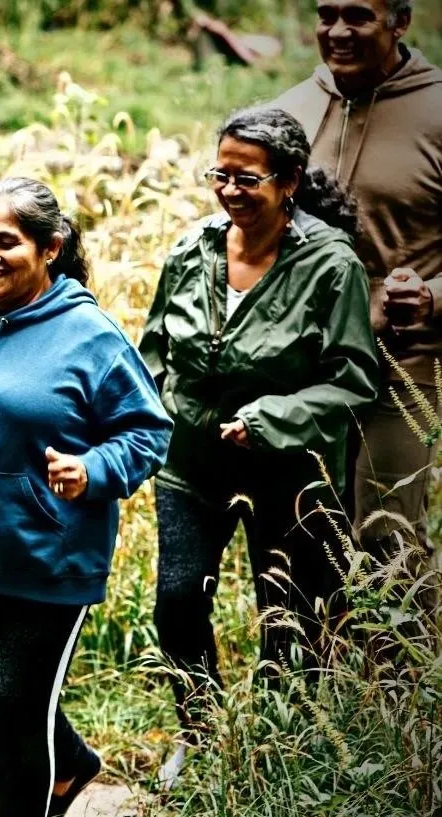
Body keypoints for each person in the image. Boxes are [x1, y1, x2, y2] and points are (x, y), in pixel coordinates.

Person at [0, 177, 172, 817]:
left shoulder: (90, 335)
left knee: (17, 708)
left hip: (53, 557)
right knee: (4, 689)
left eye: (7, 242)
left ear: (50, 248)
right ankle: (73, 765)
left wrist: (94, 468)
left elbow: (148, 431)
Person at [139, 107, 379, 785]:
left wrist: (274, 415)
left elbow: (354, 379)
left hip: (288, 471)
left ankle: (274, 746)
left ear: (290, 180)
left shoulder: (331, 265)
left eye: (248, 177)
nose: (230, 189)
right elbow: (153, 349)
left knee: (287, 615)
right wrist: (149, 413)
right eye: (221, 174)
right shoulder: (193, 249)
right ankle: (201, 729)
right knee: (178, 599)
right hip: (190, 464)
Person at [273, 0, 442, 592]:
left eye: (358, 17)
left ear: (399, 22)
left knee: (386, 539)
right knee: (300, 536)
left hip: (401, 362)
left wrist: (432, 296)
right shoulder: (289, 110)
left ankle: (391, 684)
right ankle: (307, 675)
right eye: (326, 15)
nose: (337, 32)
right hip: (297, 363)